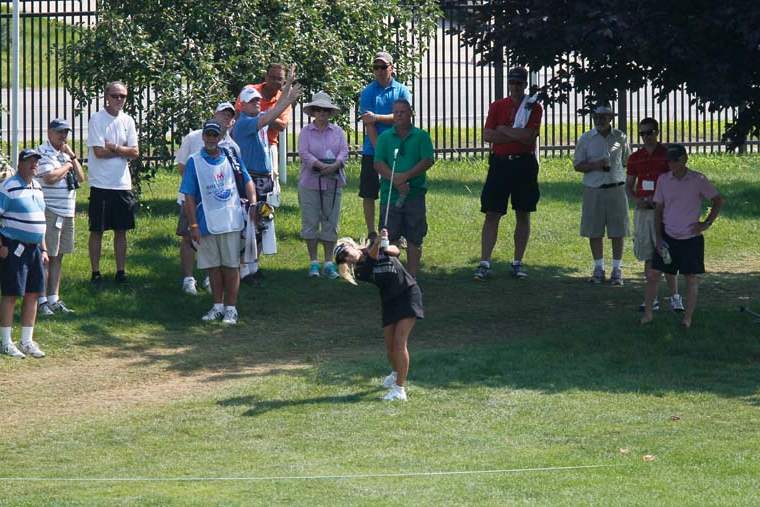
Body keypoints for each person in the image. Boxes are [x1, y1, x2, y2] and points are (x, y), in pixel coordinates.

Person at [180, 120, 257, 325]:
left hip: (231, 219)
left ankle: (231, 309)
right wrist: (193, 225)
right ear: (203, 136)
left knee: (231, 266)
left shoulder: (231, 157)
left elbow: (247, 180)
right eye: (209, 135)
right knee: (213, 267)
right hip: (206, 222)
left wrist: (254, 204)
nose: (212, 139)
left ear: (221, 137)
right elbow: (188, 195)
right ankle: (217, 305)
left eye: (215, 135)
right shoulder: (194, 161)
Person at [334, 228, 423, 401]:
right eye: (343, 259)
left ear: (350, 246)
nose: (347, 258)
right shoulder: (360, 270)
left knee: (399, 343)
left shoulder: (377, 247)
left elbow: (396, 251)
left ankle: (399, 389)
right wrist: (377, 244)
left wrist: (386, 244)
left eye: (346, 253)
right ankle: (396, 372)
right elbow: (372, 260)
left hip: (408, 293)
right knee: (390, 347)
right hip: (389, 301)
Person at [232, 65, 302, 283]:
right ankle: (243, 268)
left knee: (261, 222)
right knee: (249, 224)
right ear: (242, 105)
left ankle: (253, 266)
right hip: (250, 179)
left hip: (263, 177)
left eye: (257, 100)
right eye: (252, 101)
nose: (257, 103)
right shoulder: (245, 123)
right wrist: (288, 98)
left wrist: (287, 85)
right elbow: (273, 114)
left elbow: (274, 115)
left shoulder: (256, 117)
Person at [641, 144, 724, 328]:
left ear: (685, 159)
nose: (672, 164)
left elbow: (718, 200)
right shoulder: (663, 180)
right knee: (653, 274)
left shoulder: (698, 179)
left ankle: (687, 318)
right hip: (668, 236)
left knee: (691, 278)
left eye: (675, 160)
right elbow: (658, 210)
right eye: (669, 161)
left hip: (690, 238)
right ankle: (648, 314)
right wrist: (658, 237)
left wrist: (706, 223)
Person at [474, 66, 542, 281]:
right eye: (512, 83)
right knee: (492, 212)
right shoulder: (498, 106)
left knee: (523, 212)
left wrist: (503, 130)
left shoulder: (533, 107)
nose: (515, 87)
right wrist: (512, 135)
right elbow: (487, 135)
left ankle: (517, 262)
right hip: (500, 164)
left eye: (519, 83)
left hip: (524, 163)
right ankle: (485, 262)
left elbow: (528, 138)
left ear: (524, 85)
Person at [174, 101, 240, 295]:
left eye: (229, 116)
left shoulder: (232, 146)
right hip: (192, 198)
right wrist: (200, 184)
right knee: (188, 237)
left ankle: (211, 279)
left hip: (219, 202)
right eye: (222, 114)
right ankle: (188, 278)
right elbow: (181, 165)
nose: (225, 118)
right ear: (214, 114)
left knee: (215, 238)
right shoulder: (193, 137)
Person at [626, 118, 682, 312]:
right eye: (642, 133)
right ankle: (652, 299)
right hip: (643, 212)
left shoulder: (667, 155)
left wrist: (661, 199)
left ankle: (675, 297)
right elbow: (629, 185)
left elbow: (676, 182)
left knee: (667, 253)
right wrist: (636, 199)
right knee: (648, 253)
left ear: (657, 132)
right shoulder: (635, 157)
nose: (646, 137)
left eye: (649, 132)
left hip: (665, 211)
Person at [86, 80, 139, 285]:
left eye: (122, 96)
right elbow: (98, 152)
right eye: (115, 95)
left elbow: (135, 152)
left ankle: (120, 271)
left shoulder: (128, 121)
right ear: (106, 97)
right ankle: (95, 272)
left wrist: (115, 147)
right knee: (97, 230)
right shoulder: (97, 119)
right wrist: (122, 150)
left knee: (121, 230)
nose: (119, 99)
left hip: (122, 184)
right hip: (101, 183)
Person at [374, 99, 434, 277]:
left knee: (415, 237)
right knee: (389, 237)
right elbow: (378, 163)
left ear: (411, 114)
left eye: (403, 111)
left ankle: (412, 276)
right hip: (390, 195)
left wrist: (405, 176)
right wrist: (396, 181)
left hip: (414, 194)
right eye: (396, 112)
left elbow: (427, 160)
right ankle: (394, 275)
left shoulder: (421, 136)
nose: (399, 115)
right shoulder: (385, 137)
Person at [573, 104, 631, 285]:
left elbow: (626, 160)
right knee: (594, 230)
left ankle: (617, 269)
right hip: (594, 189)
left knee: (617, 231)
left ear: (611, 117)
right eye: (596, 116)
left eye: (603, 116)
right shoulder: (586, 138)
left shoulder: (620, 137)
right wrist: (595, 165)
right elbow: (577, 165)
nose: (599, 120)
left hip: (616, 188)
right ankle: (598, 268)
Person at [0, 149, 49, 358]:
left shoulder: (37, 187)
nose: (33, 165)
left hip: (35, 249)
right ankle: (5, 341)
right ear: (20, 164)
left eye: (36, 161)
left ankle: (26, 340)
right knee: (12, 293)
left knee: (33, 293)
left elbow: (40, 220)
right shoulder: (8, 187)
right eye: (29, 161)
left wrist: (44, 248)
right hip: (13, 247)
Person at [358, 51, 412, 240]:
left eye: (383, 67)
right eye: (376, 67)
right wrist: (380, 152)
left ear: (392, 68)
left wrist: (378, 117)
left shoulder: (402, 90)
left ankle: (399, 232)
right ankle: (372, 232)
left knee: (398, 189)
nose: (379, 71)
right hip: (372, 150)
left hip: (398, 149)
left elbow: (402, 116)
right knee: (369, 193)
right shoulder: (367, 92)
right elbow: (369, 124)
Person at [35, 119, 85, 315]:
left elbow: (81, 177)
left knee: (59, 255)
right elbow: (49, 177)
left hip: (67, 211)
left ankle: (54, 298)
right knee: (46, 257)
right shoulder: (42, 152)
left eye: (65, 132)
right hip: (50, 210)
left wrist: (71, 157)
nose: (63, 136)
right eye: (59, 132)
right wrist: (66, 167)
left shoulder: (65, 155)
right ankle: (41, 300)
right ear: (49, 132)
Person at [297, 92, 349, 279]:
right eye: (318, 110)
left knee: (330, 221)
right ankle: (313, 262)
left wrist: (334, 165)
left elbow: (344, 152)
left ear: (330, 112)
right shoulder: (305, 132)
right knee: (310, 221)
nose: (322, 113)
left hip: (333, 182)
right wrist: (320, 166)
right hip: (310, 182)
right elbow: (303, 153)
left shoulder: (338, 132)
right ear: (313, 112)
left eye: (325, 110)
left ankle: (328, 262)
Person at [234, 63, 290, 174]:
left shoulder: (282, 99)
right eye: (272, 77)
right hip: (247, 143)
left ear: (284, 81)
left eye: (279, 79)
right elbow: (238, 114)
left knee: (270, 181)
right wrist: (267, 116)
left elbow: (282, 125)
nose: (275, 81)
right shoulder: (251, 90)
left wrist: (263, 115)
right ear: (266, 76)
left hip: (269, 144)